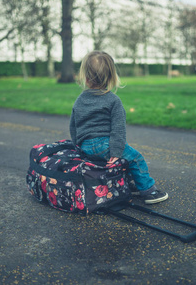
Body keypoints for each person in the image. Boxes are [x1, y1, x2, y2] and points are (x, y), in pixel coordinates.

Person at [69, 51, 168, 204]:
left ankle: (130, 183)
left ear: (86, 78)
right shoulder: (113, 100)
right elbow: (118, 130)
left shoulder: (80, 99)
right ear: (111, 77)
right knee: (135, 158)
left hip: (85, 146)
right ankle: (149, 191)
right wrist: (115, 151)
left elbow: (73, 125)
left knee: (121, 158)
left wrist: (78, 147)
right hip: (105, 145)